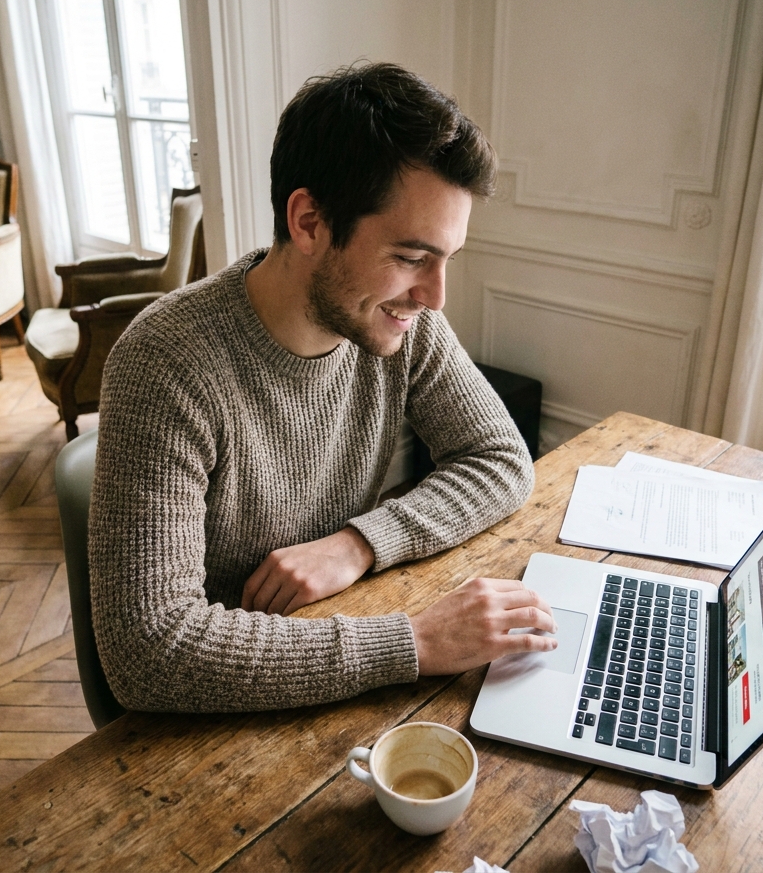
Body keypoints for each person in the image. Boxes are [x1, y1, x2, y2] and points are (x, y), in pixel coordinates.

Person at [90, 62, 558, 714]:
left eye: (447, 259)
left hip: (332, 646)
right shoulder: (165, 360)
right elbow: (150, 653)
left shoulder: (399, 321)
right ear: (309, 221)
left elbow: (502, 461)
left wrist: (359, 544)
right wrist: (412, 643)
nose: (434, 295)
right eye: (409, 256)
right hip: (209, 709)